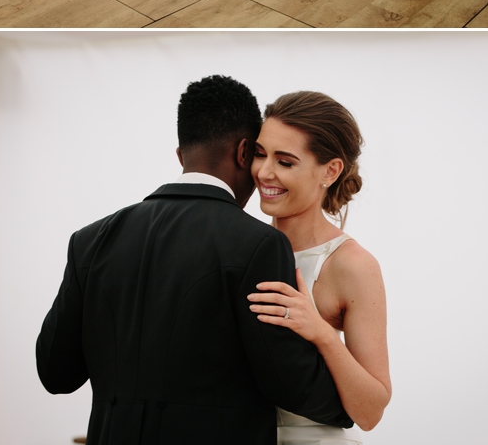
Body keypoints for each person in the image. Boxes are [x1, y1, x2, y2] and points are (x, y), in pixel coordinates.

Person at [37, 74, 351, 445]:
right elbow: (289, 382)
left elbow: (55, 374)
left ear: (180, 154)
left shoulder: (90, 240)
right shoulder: (259, 245)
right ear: (243, 152)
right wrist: (344, 407)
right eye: (261, 156)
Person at [247, 91, 391, 443]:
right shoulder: (242, 249)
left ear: (330, 170)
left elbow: (370, 412)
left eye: (285, 162)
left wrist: (320, 332)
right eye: (260, 154)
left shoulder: (353, 265)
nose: (264, 172)